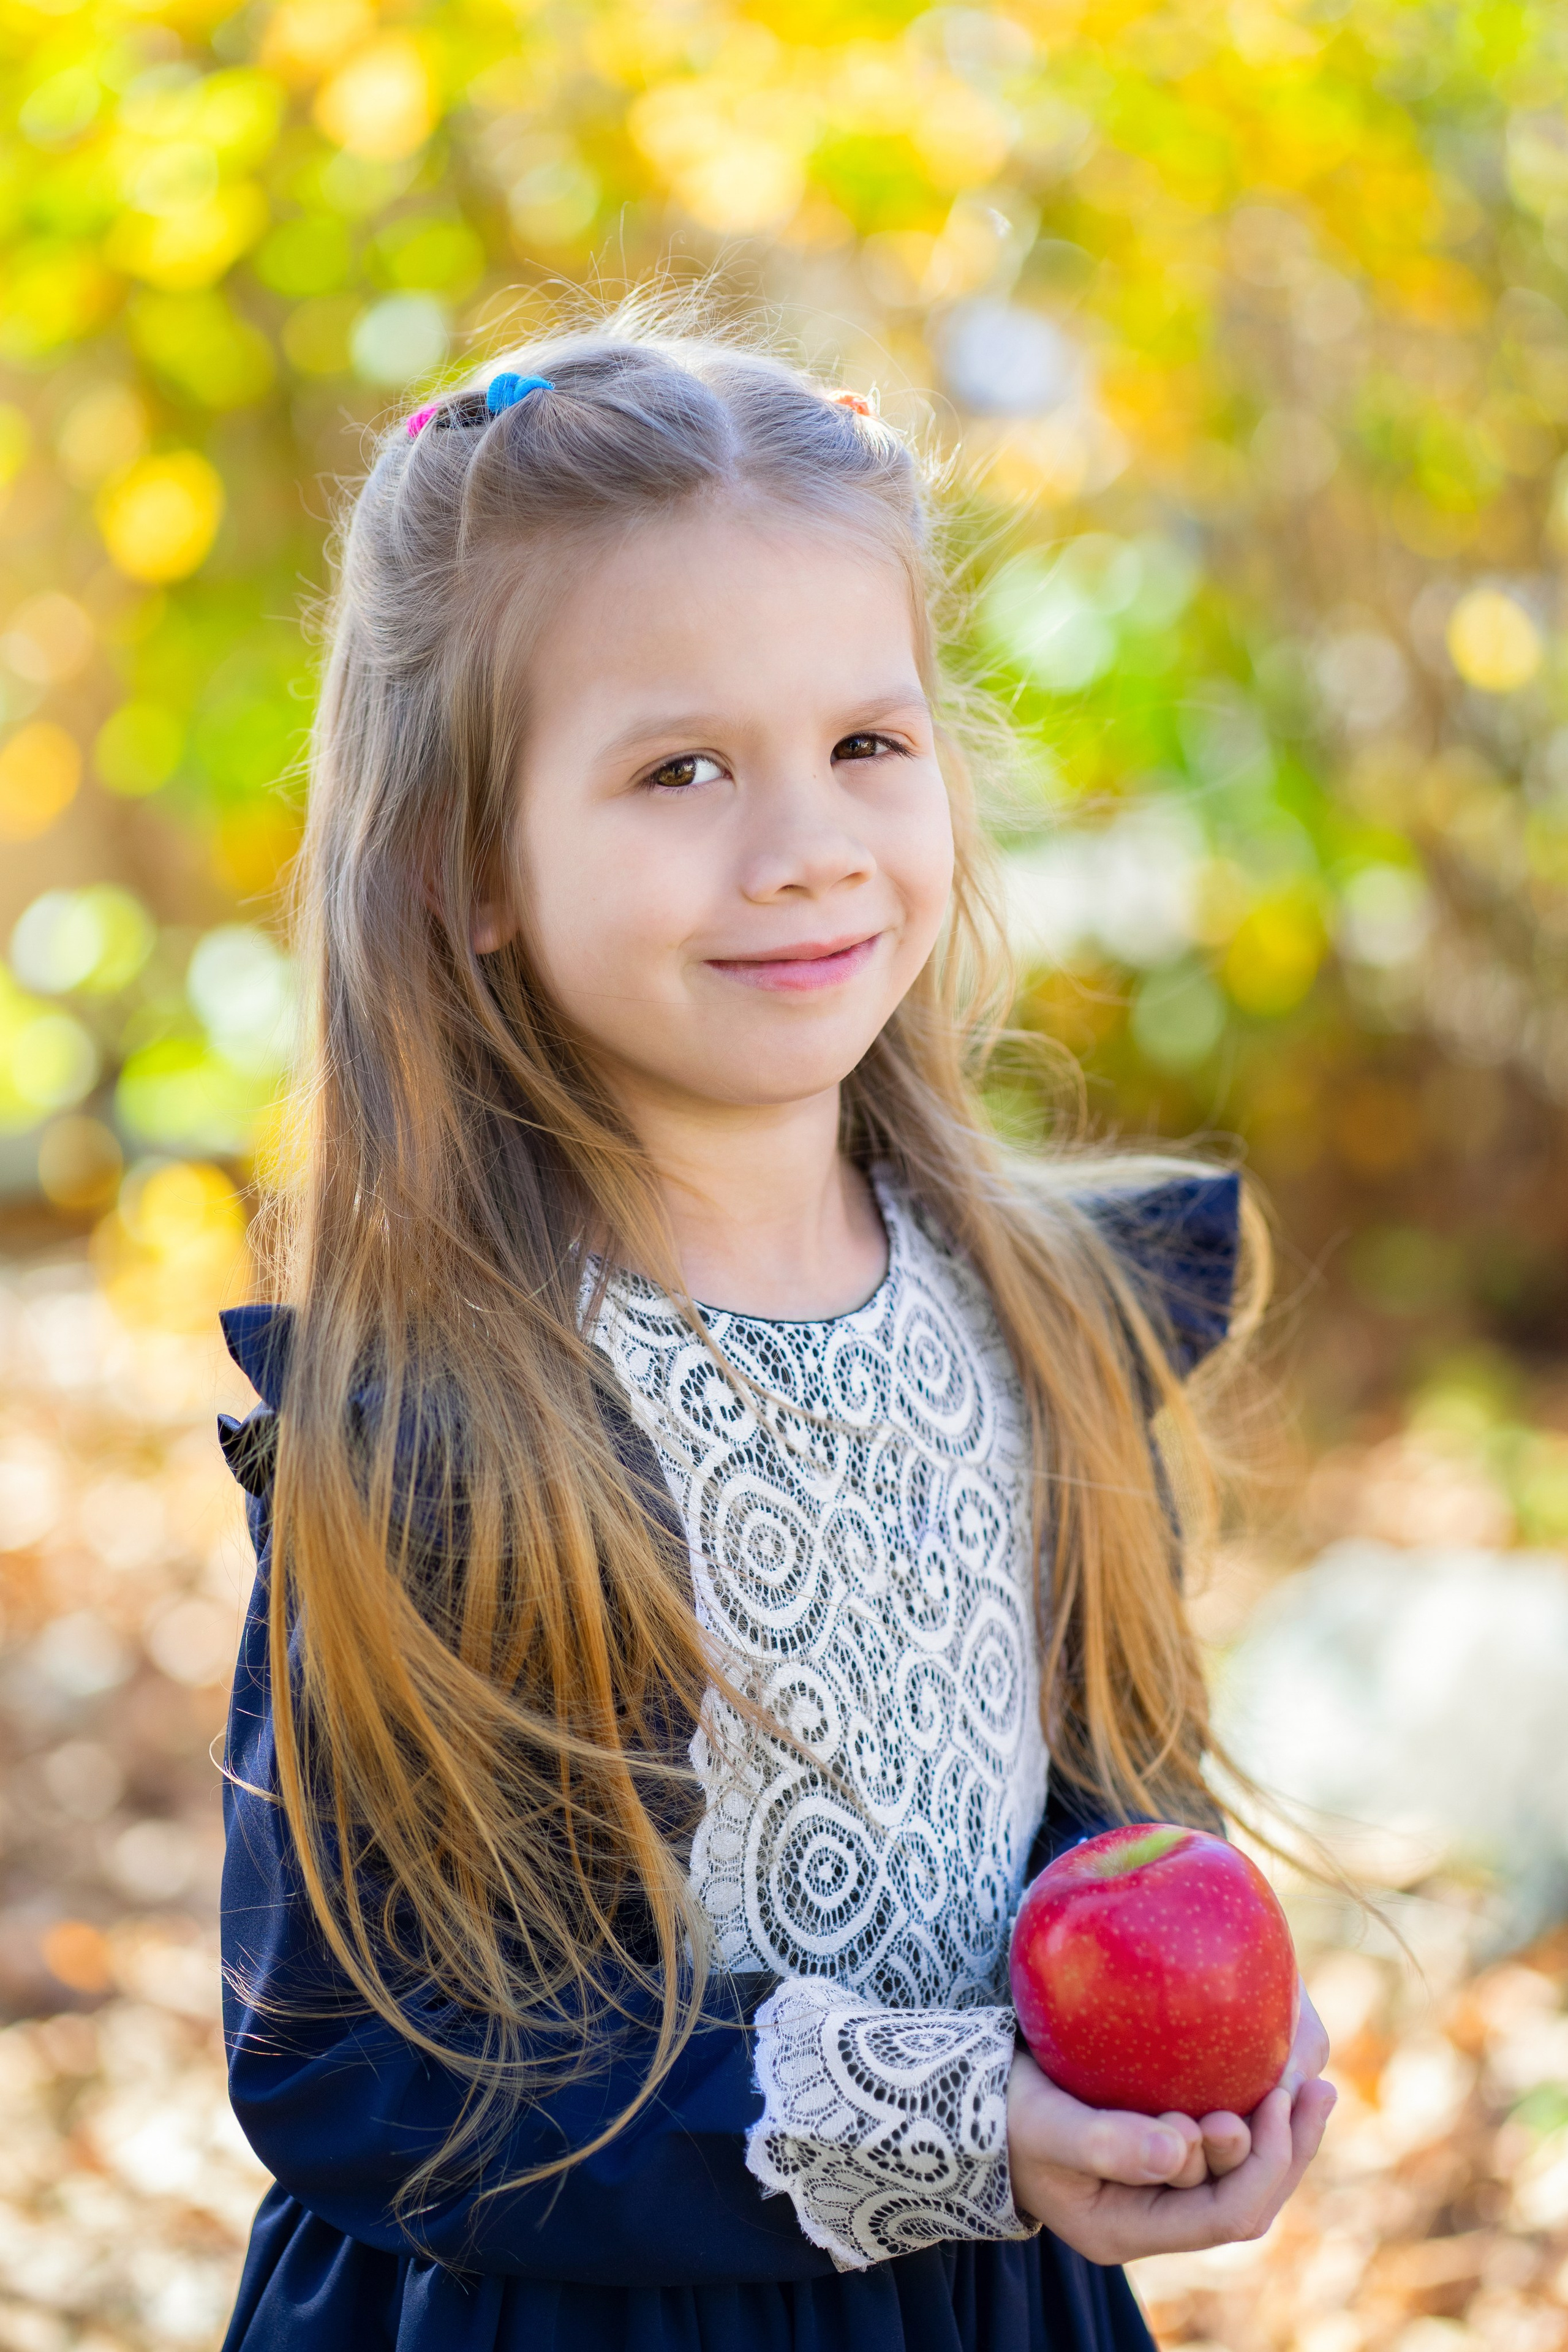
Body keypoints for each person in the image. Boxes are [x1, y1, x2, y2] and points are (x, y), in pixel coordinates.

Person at [214, 313, 1334, 2352]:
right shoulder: (454, 1417)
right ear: (472, 866)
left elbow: (1090, 1811)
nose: (807, 841)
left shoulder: (1040, 1309)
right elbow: (356, 2067)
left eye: (868, 744)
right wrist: (945, 2125)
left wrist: (1185, 2024)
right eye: (682, 767)